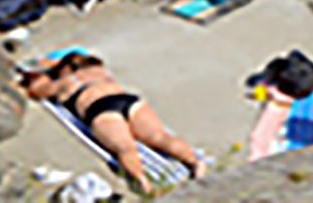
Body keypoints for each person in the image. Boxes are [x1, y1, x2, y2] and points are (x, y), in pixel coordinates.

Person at [21, 52, 207, 190]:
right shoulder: (99, 71)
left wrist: (43, 74)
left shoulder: (66, 82)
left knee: (125, 148)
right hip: (129, 100)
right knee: (159, 137)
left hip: (101, 108)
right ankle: (194, 162)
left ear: (66, 68)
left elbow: (36, 91)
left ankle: (143, 182)